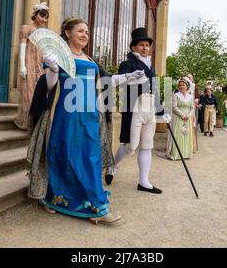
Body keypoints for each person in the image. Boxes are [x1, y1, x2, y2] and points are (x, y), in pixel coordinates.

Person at [26, 18, 146, 225]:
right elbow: (49, 86)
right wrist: (54, 69)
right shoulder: (57, 56)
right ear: (67, 33)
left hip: (89, 116)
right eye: (80, 31)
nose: (85, 35)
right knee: (61, 156)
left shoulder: (91, 60)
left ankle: (95, 205)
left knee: (90, 158)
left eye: (87, 32)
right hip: (64, 115)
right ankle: (54, 199)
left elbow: (105, 82)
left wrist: (129, 77)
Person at [105, 28, 171, 194]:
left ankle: (144, 182)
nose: (145, 48)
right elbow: (121, 84)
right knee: (130, 146)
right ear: (134, 47)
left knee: (147, 145)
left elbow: (154, 89)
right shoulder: (127, 64)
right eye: (141, 45)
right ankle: (113, 165)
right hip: (134, 107)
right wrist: (132, 77)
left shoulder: (151, 66)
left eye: (147, 45)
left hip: (149, 108)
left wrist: (161, 110)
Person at [14, 2, 49, 131]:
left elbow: (44, 49)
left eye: (46, 17)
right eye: (42, 15)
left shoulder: (44, 32)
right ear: (35, 14)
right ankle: (27, 122)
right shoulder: (26, 28)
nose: (44, 19)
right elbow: (22, 48)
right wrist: (22, 66)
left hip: (40, 64)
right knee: (28, 93)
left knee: (39, 92)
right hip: (29, 62)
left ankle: (36, 120)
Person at [166, 78, 195, 160]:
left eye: (183, 85)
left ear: (187, 86)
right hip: (178, 117)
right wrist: (182, 115)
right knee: (178, 134)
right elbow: (174, 107)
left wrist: (188, 115)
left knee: (186, 134)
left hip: (187, 118)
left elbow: (192, 107)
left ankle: (186, 153)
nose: (182, 87)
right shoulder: (176, 95)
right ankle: (176, 154)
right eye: (180, 85)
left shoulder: (190, 96)